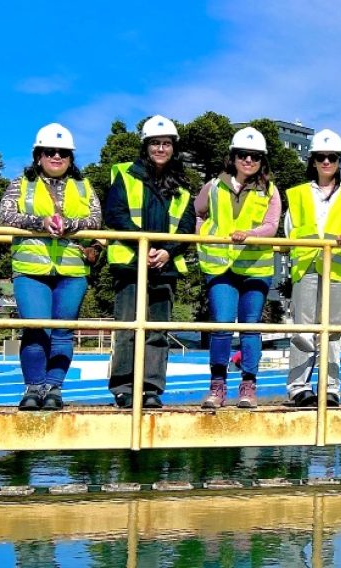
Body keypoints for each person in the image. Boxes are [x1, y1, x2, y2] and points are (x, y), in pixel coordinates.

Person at [0, 123, 102, 410]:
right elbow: (5, 215)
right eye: (50, 152)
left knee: (62, 332)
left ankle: (54, 388)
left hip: (72, 270)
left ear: (71, 158)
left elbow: (96, 219)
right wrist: (39, 223)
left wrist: (70, 225)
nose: (56, 157)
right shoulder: (21, 183)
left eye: (64, 153)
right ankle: (33, 388)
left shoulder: (83, 185)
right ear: (38, 155)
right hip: (31, 269)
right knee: (36, 328)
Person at [104, 115, 196, 409]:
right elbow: (115, 214)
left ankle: (151, 388)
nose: (160, 148)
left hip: (164, 266)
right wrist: (142, 245)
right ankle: (124, 388)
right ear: (145, 146)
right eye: (155, 143)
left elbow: (186, 227)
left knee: (157, 331)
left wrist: (167, 251)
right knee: (128, 327)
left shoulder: (181, 186)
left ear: (173, 148)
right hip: (132, 264)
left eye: (166, 143)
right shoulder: (125, 175)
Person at [195, 126, 282, 409]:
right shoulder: (213, 186)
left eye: (255, 156)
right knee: (221, 325)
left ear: (262, 160)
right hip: (220, 266)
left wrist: (251, 234)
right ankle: (217, 386)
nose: (248, 160)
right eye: (243, 155)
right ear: (233, 157)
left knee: (250, 327)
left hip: (255, 267)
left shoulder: (270, 190)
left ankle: (248, 385)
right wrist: (202, 239)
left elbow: (271, 226)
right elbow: (197, 213)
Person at [283, 129, 341, 408]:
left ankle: (330, 388)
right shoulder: (297, 195)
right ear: (313, 160)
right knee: (302, 330)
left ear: (339, 161)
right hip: (306, 267)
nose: (326, 162)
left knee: (333, 331)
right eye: (320, 157)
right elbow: (288, 231)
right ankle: (299, 388)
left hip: (339, 271)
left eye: (331, 157)